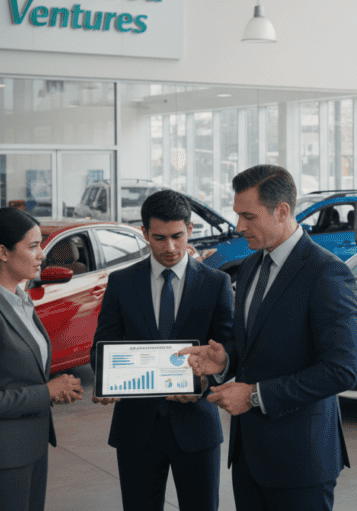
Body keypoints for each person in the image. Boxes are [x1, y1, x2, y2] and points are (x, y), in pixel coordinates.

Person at [179, 164, 357, 511]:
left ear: (282, 211)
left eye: (248, 216)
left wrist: (255, 396)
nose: (238, 226)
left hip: (301, 461)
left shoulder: (327, 273)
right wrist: (226, 359)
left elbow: (341, 369)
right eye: (237, 215)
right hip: (249, 456)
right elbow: (253, 343)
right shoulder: (249, 267)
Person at [90, 189, 233, 511]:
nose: (170, 247)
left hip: (195, 425)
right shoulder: (122, 282)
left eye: (177, 236)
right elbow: (101, 346)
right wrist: (106, 379)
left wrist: (207, 384)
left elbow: (228, 351)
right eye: (159, 238)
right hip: (136, 428)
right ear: (144, 234)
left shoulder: (216, 284)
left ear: (191, 230)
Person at [0, 207, 84, 511]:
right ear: (3, 252)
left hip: (31, 449)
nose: (42, 255)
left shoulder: (21, 301)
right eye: (33, 246)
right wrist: (46, 391)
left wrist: (53, 392)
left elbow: (19, 376)